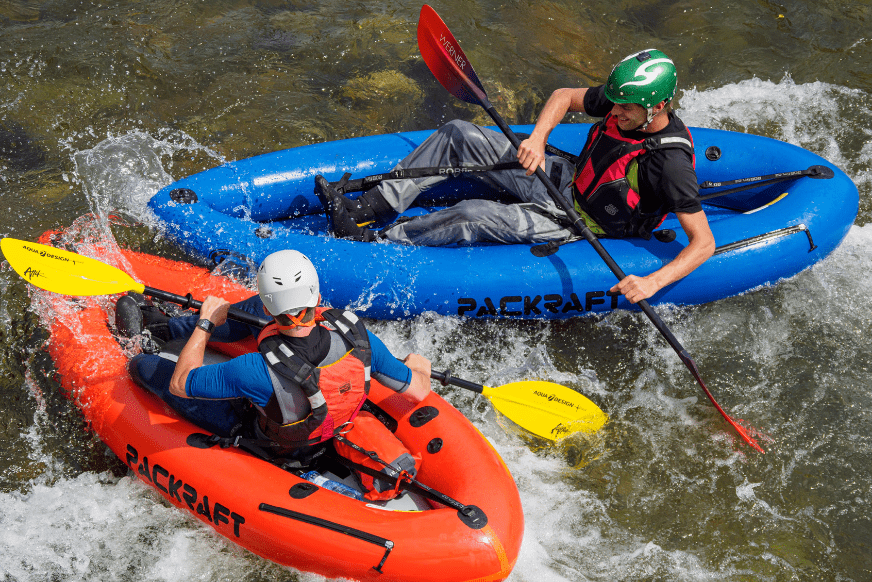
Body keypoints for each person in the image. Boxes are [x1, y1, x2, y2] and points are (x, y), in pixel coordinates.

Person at [315, 48, 715, 304]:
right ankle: (371, 206)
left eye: (626, 108)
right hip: (565, 179)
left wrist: (653, 282)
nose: (614, 112)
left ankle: (377, 243)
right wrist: (538, 139)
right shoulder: (621, 104)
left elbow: (703, 244)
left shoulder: (672, 165)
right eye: (615, 103)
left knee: (471, 213)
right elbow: (564, 96)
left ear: (658, 105)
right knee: (459, 132)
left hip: (581, 221)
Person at [118, 249, 432, 470]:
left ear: (269, 310)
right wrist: (416, 364)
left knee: (145, 367)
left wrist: (206, 323)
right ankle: (165, 326)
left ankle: (143, 339)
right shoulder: (361, 339)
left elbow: (180, 383)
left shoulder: (252, 369)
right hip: (330, 423)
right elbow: (418, 390)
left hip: (273, 439)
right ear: (318, 299)